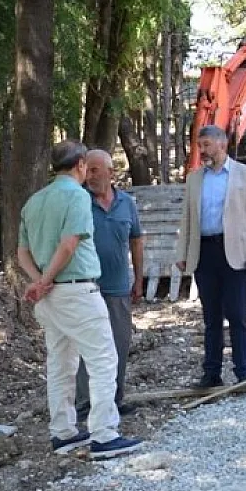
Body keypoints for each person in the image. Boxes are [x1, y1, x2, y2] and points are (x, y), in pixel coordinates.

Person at [17, 140, 143, 460]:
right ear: (81, 165)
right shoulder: (76, 196)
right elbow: (69, 244)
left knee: (60, 363)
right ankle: (103, 435)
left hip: (50, 298)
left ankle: (63, 433)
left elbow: (22, 252)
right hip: (77, 289)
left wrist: (39, 281)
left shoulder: (35, 201)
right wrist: (45, 280)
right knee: (103, 361)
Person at [175, 125, 246, 388]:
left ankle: (243, 371)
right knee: (211, 318)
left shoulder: (245, 174)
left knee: (237, 315)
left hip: (235, 252)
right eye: (199, 145)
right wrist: (182, 252)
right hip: (204, 252)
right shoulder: (194, 179)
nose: (201, 150)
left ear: (221, 144)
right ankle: (211, 374)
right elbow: (187, 218)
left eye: (205, 145)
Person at [74, 149, 144, 422]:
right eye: (86, 170)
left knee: (118, 343)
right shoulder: (78, 202)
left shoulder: (127, 203)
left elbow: (136, 240)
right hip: (86, 286)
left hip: (118, 287)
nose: (88, 176)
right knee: (85, 346)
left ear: (110, 173)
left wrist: (138, 279)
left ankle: (115, 399)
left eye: (93, 170)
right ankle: (85, 403)